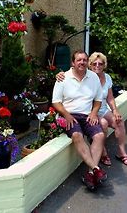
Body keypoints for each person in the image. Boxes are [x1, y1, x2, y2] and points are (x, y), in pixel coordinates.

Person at [56, 52, 127, 167]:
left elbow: (110, 97)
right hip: (91, 110)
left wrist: (115, 110)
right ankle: (103, 153)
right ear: (90, 65)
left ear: (104, 65)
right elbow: (74, 80)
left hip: (102, 109)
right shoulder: (88, 76)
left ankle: (122, 153)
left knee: (119, 121)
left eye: (100, 63)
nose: (97, 66)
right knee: (102, 123)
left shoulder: (106, 77)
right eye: (94, 63)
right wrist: (59, 74)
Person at [52, 49, 107, 191]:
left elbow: (98, 100)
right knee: (77, 135)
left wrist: (94, 113)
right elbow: (56, 102)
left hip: (87, 115)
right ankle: (96, 168)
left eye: (84, 60)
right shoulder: (63, 77)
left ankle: (90, 174)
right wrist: (66, 114)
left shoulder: (93, 77)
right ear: (73, 62)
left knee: (100, 135)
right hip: (69, 115)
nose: (82, 62)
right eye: (79, 60)